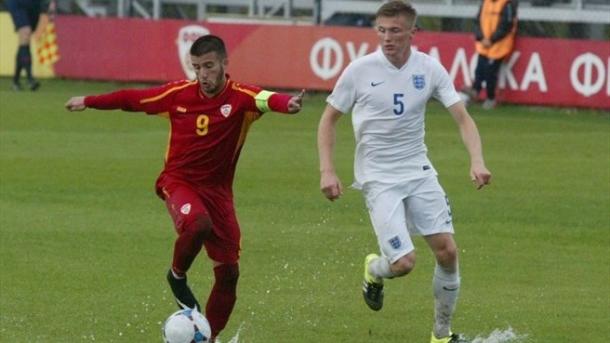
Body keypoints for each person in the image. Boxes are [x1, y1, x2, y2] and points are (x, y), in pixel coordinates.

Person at [65, 35, 304, 342]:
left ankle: (210, 337)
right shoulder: (178, 94)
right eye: (197, 67)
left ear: (223, 64)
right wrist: (89, 101)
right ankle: (177, 276)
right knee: (198, 223)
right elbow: (132, 99)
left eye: (209, 66)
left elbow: (268, 99)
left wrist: (289, 103)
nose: (203, 74)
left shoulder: (242, 98)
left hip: (218, 193)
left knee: (229, 274)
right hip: (178, 182)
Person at [317, 1, 491, 343]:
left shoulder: (429, 69)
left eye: (395, 31)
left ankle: (441, 335)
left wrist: (477, 160)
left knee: (448, 251)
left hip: (418, 170)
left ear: (413, 32)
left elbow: (462, 118)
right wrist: (327, 170)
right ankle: (374, 269)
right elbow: (328, 120)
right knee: (404, 263)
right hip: (378, 179)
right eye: (381, 30)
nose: (387, 38)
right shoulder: (359, 70)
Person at [462, 0, 518, 110]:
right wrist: (481, 37)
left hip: (499, 45)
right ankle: (474, 93)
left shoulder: (507, 4)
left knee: (490, 72)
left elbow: (507, 25)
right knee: (479, 70)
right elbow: (478, 21)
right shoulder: (485, 2)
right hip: (484, 44)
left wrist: (491, 40)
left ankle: (490, 98)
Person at [6, 0, 55, 91]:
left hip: (34, 3)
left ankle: (15, 81)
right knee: (25, 32)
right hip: (17, 2)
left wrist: (51, 2)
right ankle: (30, 79)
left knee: (25, 40)